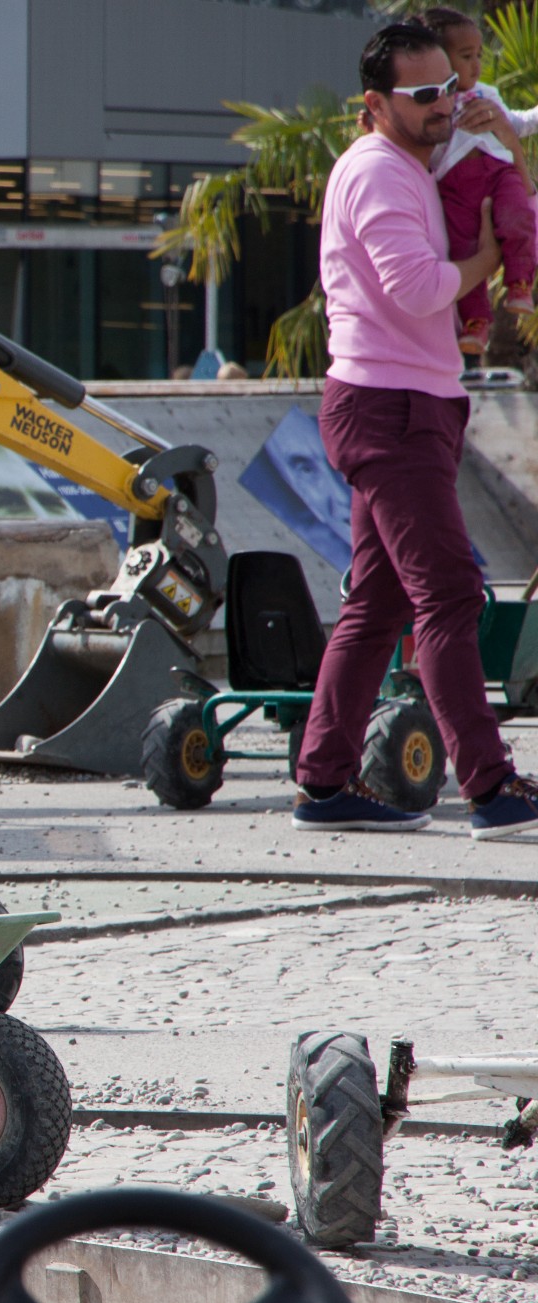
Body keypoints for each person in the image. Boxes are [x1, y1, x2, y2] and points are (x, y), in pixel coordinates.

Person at [293, 22, 538, 839]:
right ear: (375, 103)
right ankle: (492, 789)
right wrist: (486, 264)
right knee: (451, 593)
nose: (445, 106)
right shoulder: (378, 172)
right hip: (391, 409)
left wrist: (497, 131)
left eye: (451, 89)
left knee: (379, 601)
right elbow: (419, 287)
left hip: (401, 401)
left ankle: (324, 783)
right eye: (425, 95)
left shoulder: (410, 164)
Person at [420, 7, 537, 354]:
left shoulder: (487, 93)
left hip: (500, 174)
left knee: (519, 220)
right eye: (466, 56)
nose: (476, 65)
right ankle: (475, 324)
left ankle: (519, 284)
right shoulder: (434, 105)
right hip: (455, 186)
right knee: (463, 252)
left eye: (479, 56)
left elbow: (519, 123)